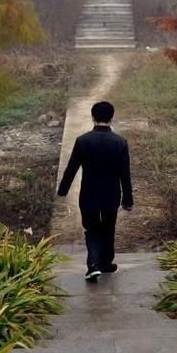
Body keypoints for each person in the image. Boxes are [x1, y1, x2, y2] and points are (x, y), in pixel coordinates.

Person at [56, 100, 133, 282]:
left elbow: (71, 168)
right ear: (111, 117)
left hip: (89, 194)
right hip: (111, 194)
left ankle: (93, 265)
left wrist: (63, 191)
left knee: (91, 229)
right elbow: (125, 173)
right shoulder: (120, 142)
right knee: (108, 228)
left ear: (93, 117)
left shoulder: (83, 141)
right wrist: (128, 199)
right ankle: (106, 263)